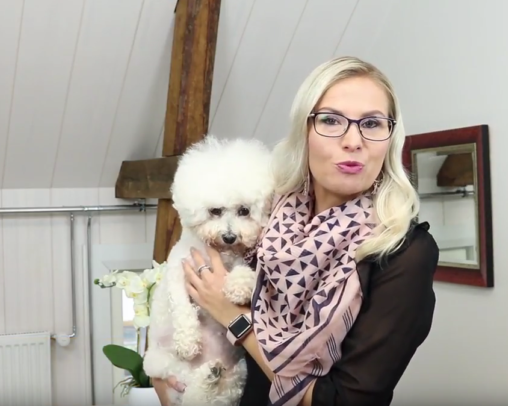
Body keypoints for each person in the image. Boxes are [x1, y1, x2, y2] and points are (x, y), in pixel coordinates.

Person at [154, 56, 439, 406]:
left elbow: (344, 401)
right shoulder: (266, 214)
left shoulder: (405, 252)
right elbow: (188, 286)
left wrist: (235, 319)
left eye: (372, 123)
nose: (353, 141)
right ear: (305, 131)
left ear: (390, 138)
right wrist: (164, 370)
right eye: (331, 120)